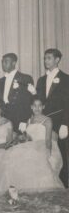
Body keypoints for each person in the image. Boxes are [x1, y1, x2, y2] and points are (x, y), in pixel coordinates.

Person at [36, 49, 69, 186]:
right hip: (44, 122)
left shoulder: (66, 78)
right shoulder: (41, 80)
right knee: (45, 153)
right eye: (45, 58)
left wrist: (65, 123)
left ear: (57, 60)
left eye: (49, 58)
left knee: (61, 153)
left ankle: (64, 184)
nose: (46, 61)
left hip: (59, 122)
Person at [0, 53, 34, 130]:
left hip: (19, 118)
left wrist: (24, 120)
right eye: (2, 62)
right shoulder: (0, 81)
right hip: (4, 119)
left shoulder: (25, 78)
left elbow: (28, 101)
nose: (3, 64)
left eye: (6, 62)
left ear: (14, 63)